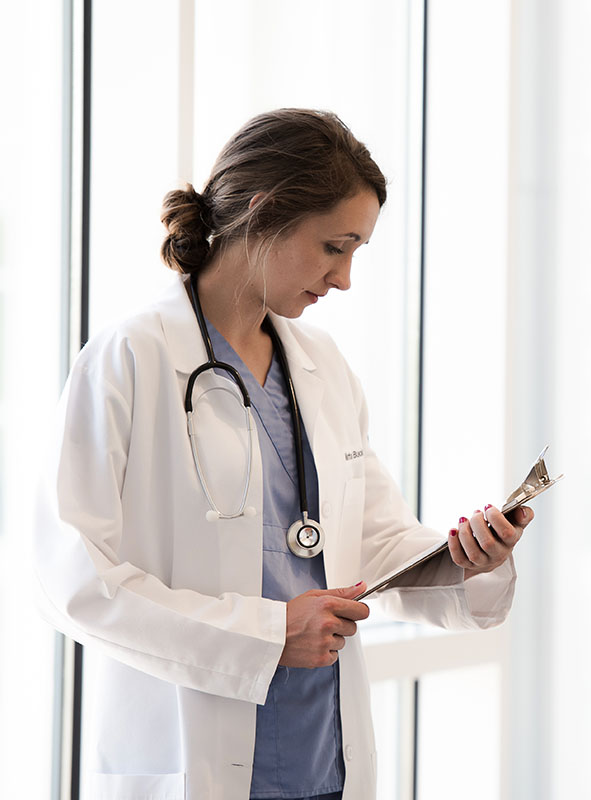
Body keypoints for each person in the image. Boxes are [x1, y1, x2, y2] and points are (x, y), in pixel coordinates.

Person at [34, 108, 532, 800]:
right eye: (335, 246)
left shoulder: (322, 368)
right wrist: (268, 634)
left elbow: (375, 543)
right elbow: (76, 584)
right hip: (192, 756)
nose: (346, 278)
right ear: (265, 213)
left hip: (323, 759)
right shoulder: (131, 359)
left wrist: (470, 558)